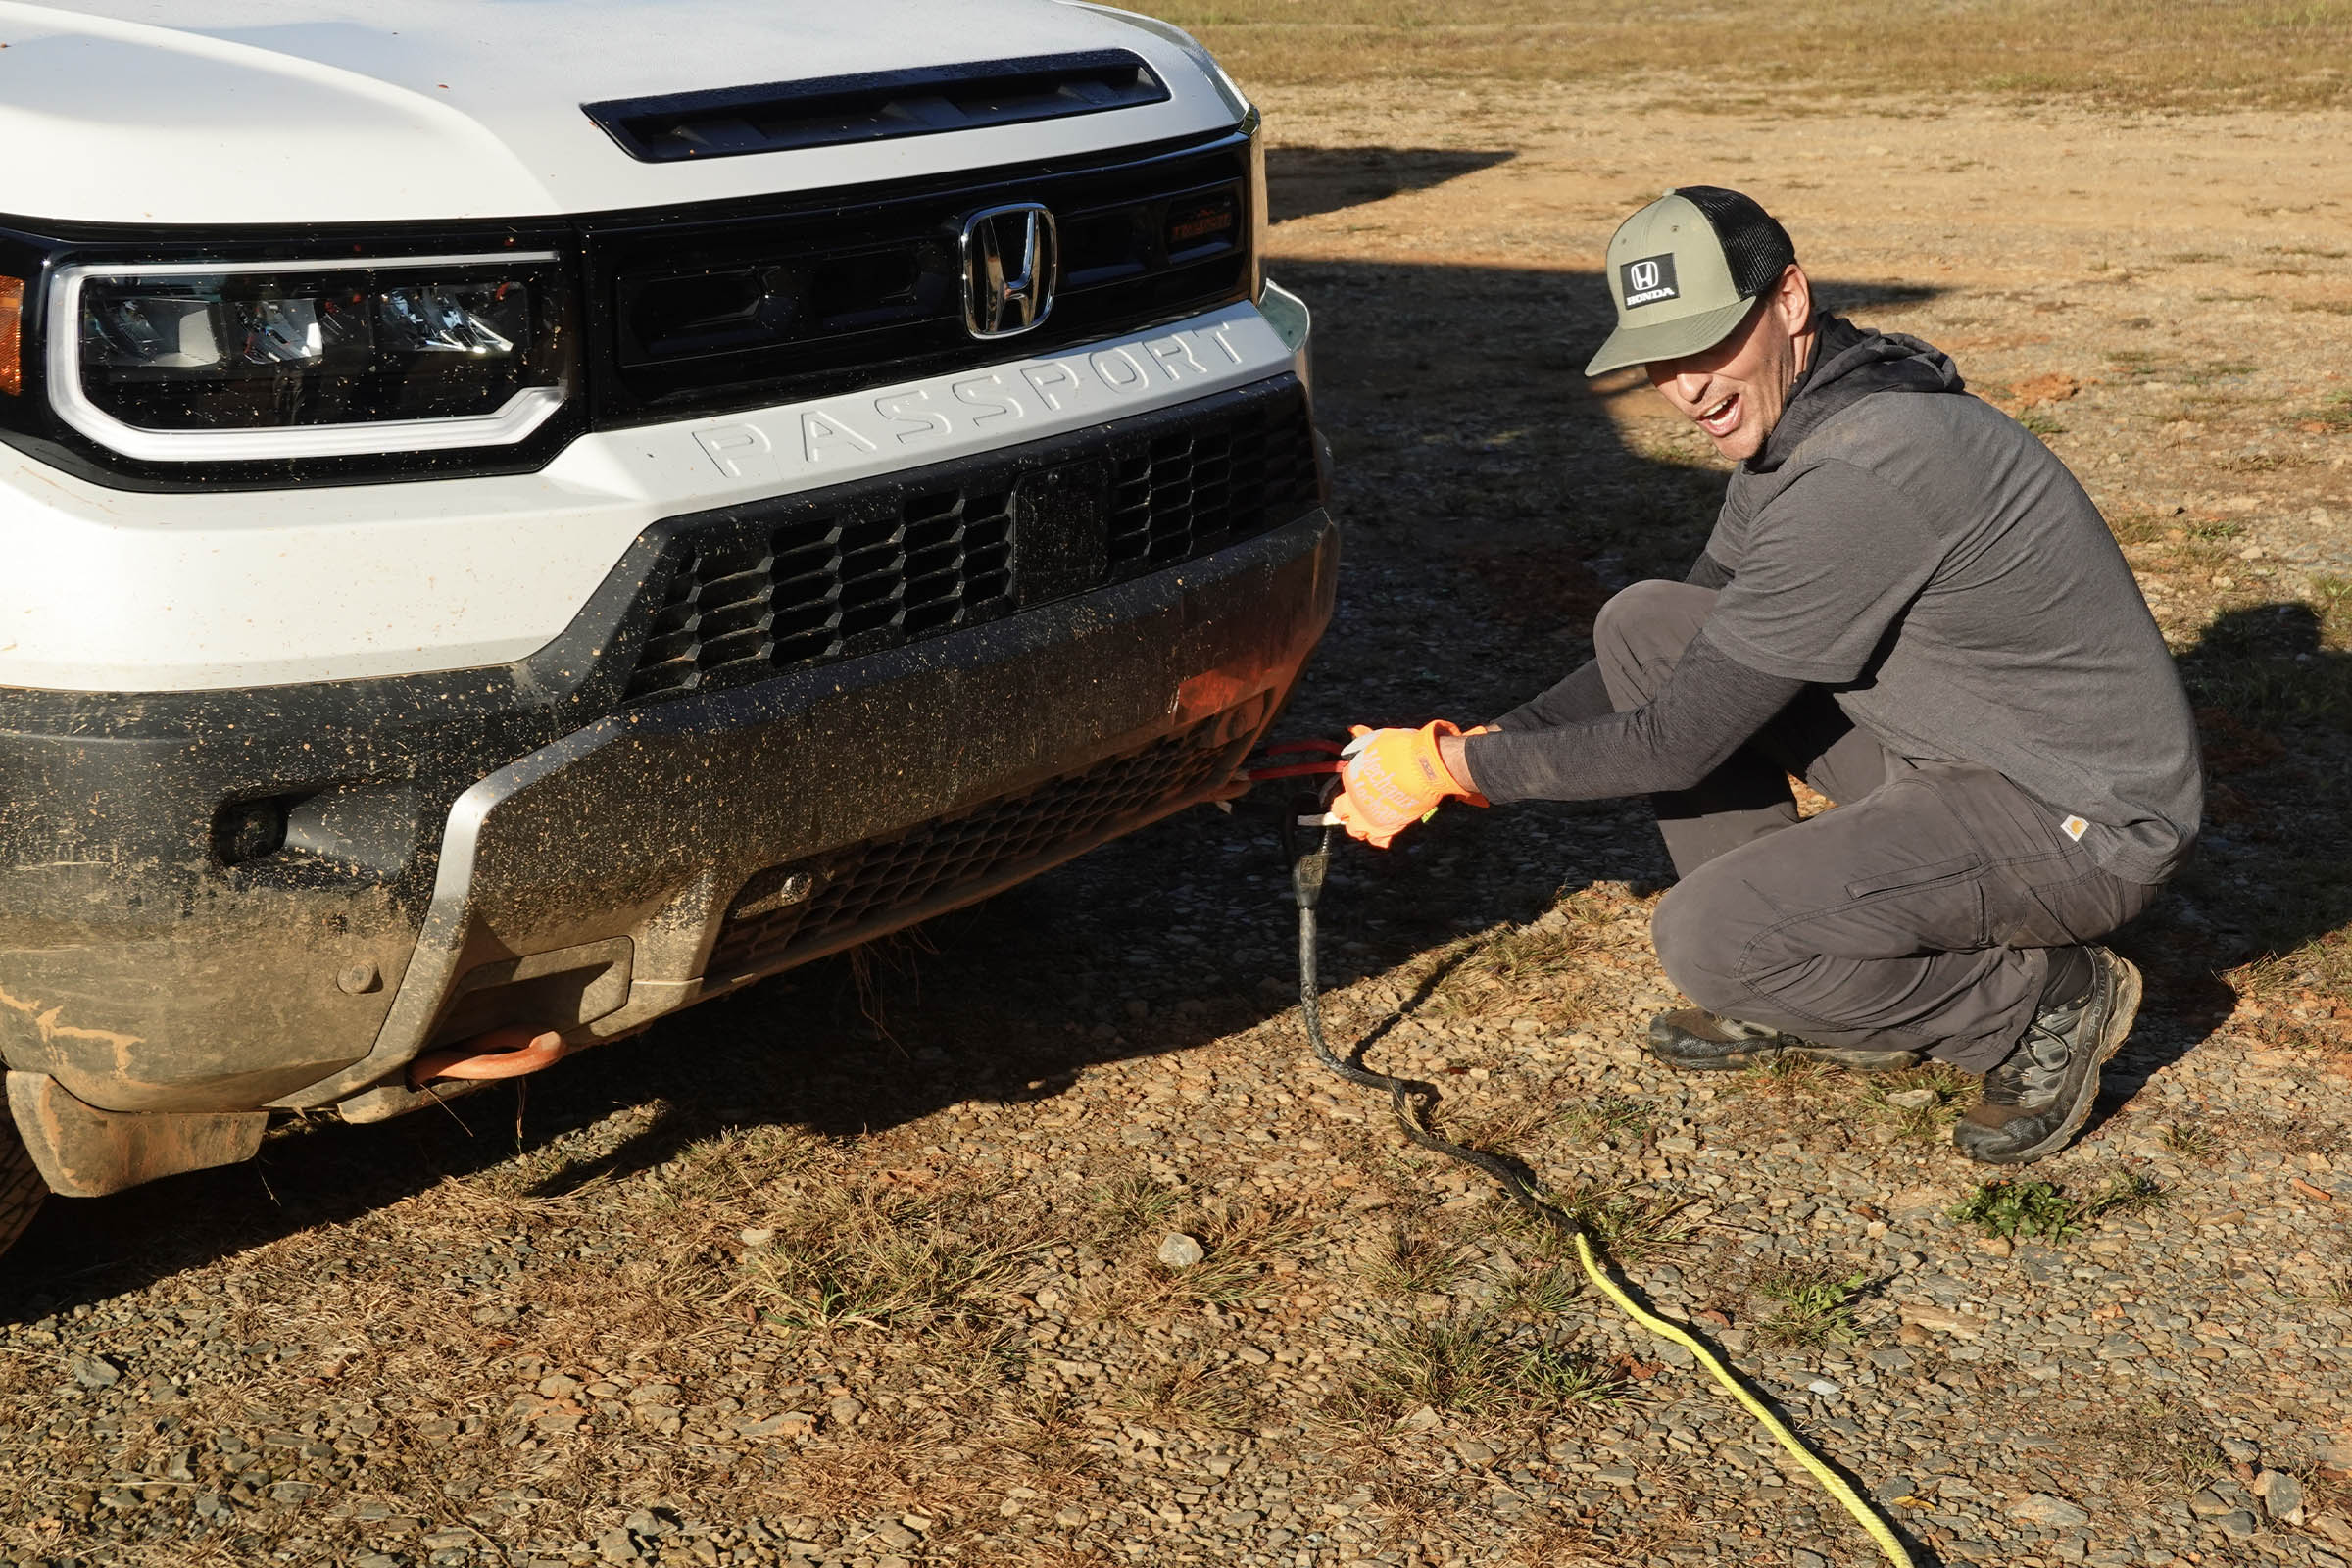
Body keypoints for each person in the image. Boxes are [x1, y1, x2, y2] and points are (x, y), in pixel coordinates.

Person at [1332, 186, 2202, 1166]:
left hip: (2079, 821)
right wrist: (1467, 746)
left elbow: (1679, 739)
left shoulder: (1863, 470)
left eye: (1707, 345)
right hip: (1958, 751)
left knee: (1705, 938)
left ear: (1788, 300)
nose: (1687, 389)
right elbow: (1681, 648)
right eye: (1661, 363)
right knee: (1649, 622)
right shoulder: (1806, 429)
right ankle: (1790, 974)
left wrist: (1456, 771)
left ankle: (2036, 1001)